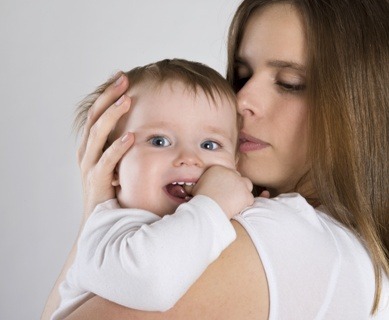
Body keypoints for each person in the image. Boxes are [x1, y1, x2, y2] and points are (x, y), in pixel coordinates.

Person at [42, 0, 389, 319]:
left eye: (289, 84)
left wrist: (99, 212)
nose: (241, 102)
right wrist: (104, 214)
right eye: (241, 76)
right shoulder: (348, 250)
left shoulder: (283, 236)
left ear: (362, 107)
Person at [50, 59, 255, 319]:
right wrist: (214, 205)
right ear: (113, 167)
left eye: (210, 144)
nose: (189, 157)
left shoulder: (201, 220)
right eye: (160, 141)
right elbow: (153, 282)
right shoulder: (108, 230)